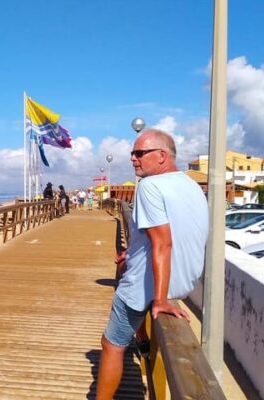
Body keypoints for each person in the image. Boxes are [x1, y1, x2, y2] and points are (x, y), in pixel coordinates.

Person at [95, 129, 208, 399]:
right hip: (184, 281)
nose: (133, 159)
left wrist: (159, 299)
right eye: (132, 153)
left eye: (139, 153)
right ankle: (144, 341)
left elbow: (163, 243)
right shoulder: (190, 184)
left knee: (111, 344)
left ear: (161, 156)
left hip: (148, 289)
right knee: (124, 265)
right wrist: (131, 255)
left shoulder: (149, 186)